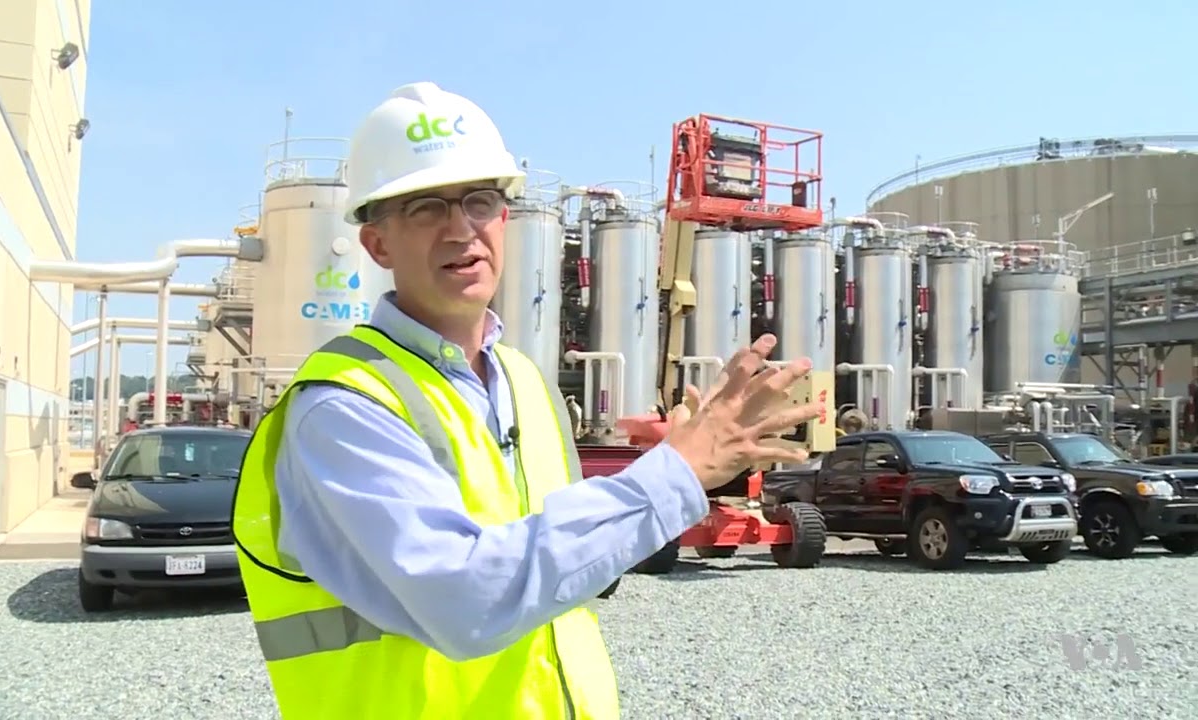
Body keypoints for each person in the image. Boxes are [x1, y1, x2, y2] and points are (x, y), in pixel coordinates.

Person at [231, 81, 827, 720]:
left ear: (506, 220)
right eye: (426, 207)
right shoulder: (344, 406)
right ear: (377, 244)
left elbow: (564, 567)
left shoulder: (523, 380)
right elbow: (465, 601)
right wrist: (672, 476)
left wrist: (652, 478)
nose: (461, 230)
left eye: (480, 201)